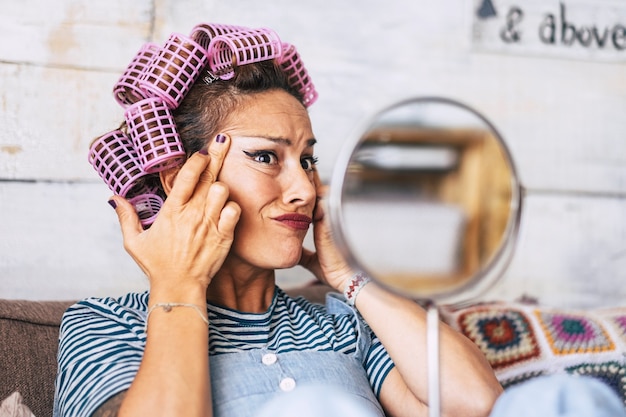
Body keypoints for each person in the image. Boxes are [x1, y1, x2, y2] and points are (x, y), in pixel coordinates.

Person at [52, 23, 503, 417]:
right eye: (266, 156)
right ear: (181, 178)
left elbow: (476, 406)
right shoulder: (108, 324)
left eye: (307, 160)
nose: (305, 189)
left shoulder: (342, 326)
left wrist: (348, 276)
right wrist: (178, 283)